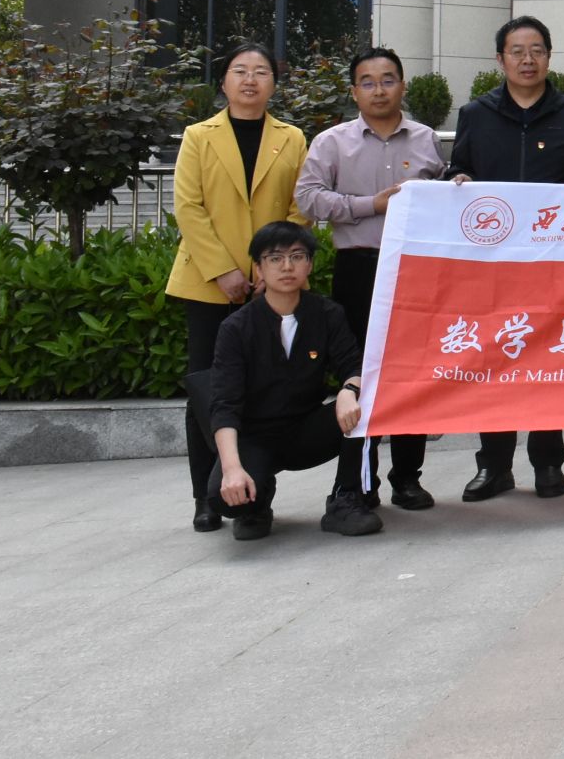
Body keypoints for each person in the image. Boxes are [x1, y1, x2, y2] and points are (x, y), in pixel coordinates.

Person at [447, 15, 564, 502]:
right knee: (494, 361)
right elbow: (459, 169)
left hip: (554, 265)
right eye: (517, 51)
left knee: (549, 362)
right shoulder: (476, 114)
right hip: (492, 266)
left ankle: (548, 463)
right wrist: (459, 182)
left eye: (537, 50)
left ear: (549, 57)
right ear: (500, 59)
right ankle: (494, 466)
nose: (527, 60)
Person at [166, 40, 313, 533]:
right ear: (224, 81)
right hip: (209, 283)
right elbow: (189, 207)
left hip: (273, 285)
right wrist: (224, 269)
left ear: (274, 83)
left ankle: (256, 491)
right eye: (239, 70)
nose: (250, 80)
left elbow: (300, 207)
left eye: (261, 71)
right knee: (208, 389)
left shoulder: (292, 138)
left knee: (264, 387)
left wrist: (268, 267)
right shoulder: (198, 136)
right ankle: (205, 496)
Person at [293, 45, 445, 511]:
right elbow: (307, 198)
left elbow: (447, 198)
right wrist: (369, 205)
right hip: (358, 268)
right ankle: (361, 480)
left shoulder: (426, 139)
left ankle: (408, 478)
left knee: (413, 373)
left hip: (415, 270)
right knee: (361, 371)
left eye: (388, 80)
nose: (379, 90)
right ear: (354, 91)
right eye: (368, 82)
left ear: (403, 85)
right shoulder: (332, 142)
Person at [206, 221, 381, 540]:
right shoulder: (236, 328)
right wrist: (232, 469)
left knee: (366, 403)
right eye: (275, 258)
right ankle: (257, 503)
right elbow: (225, 404)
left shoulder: (327, 313)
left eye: (297, 256)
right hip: (255, 437)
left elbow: (353, 365)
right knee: (224, 500)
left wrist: (348, 390)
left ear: (309, 265)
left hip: (306, 432)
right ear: (259, 268)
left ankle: (345, 499)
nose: (287, 267)